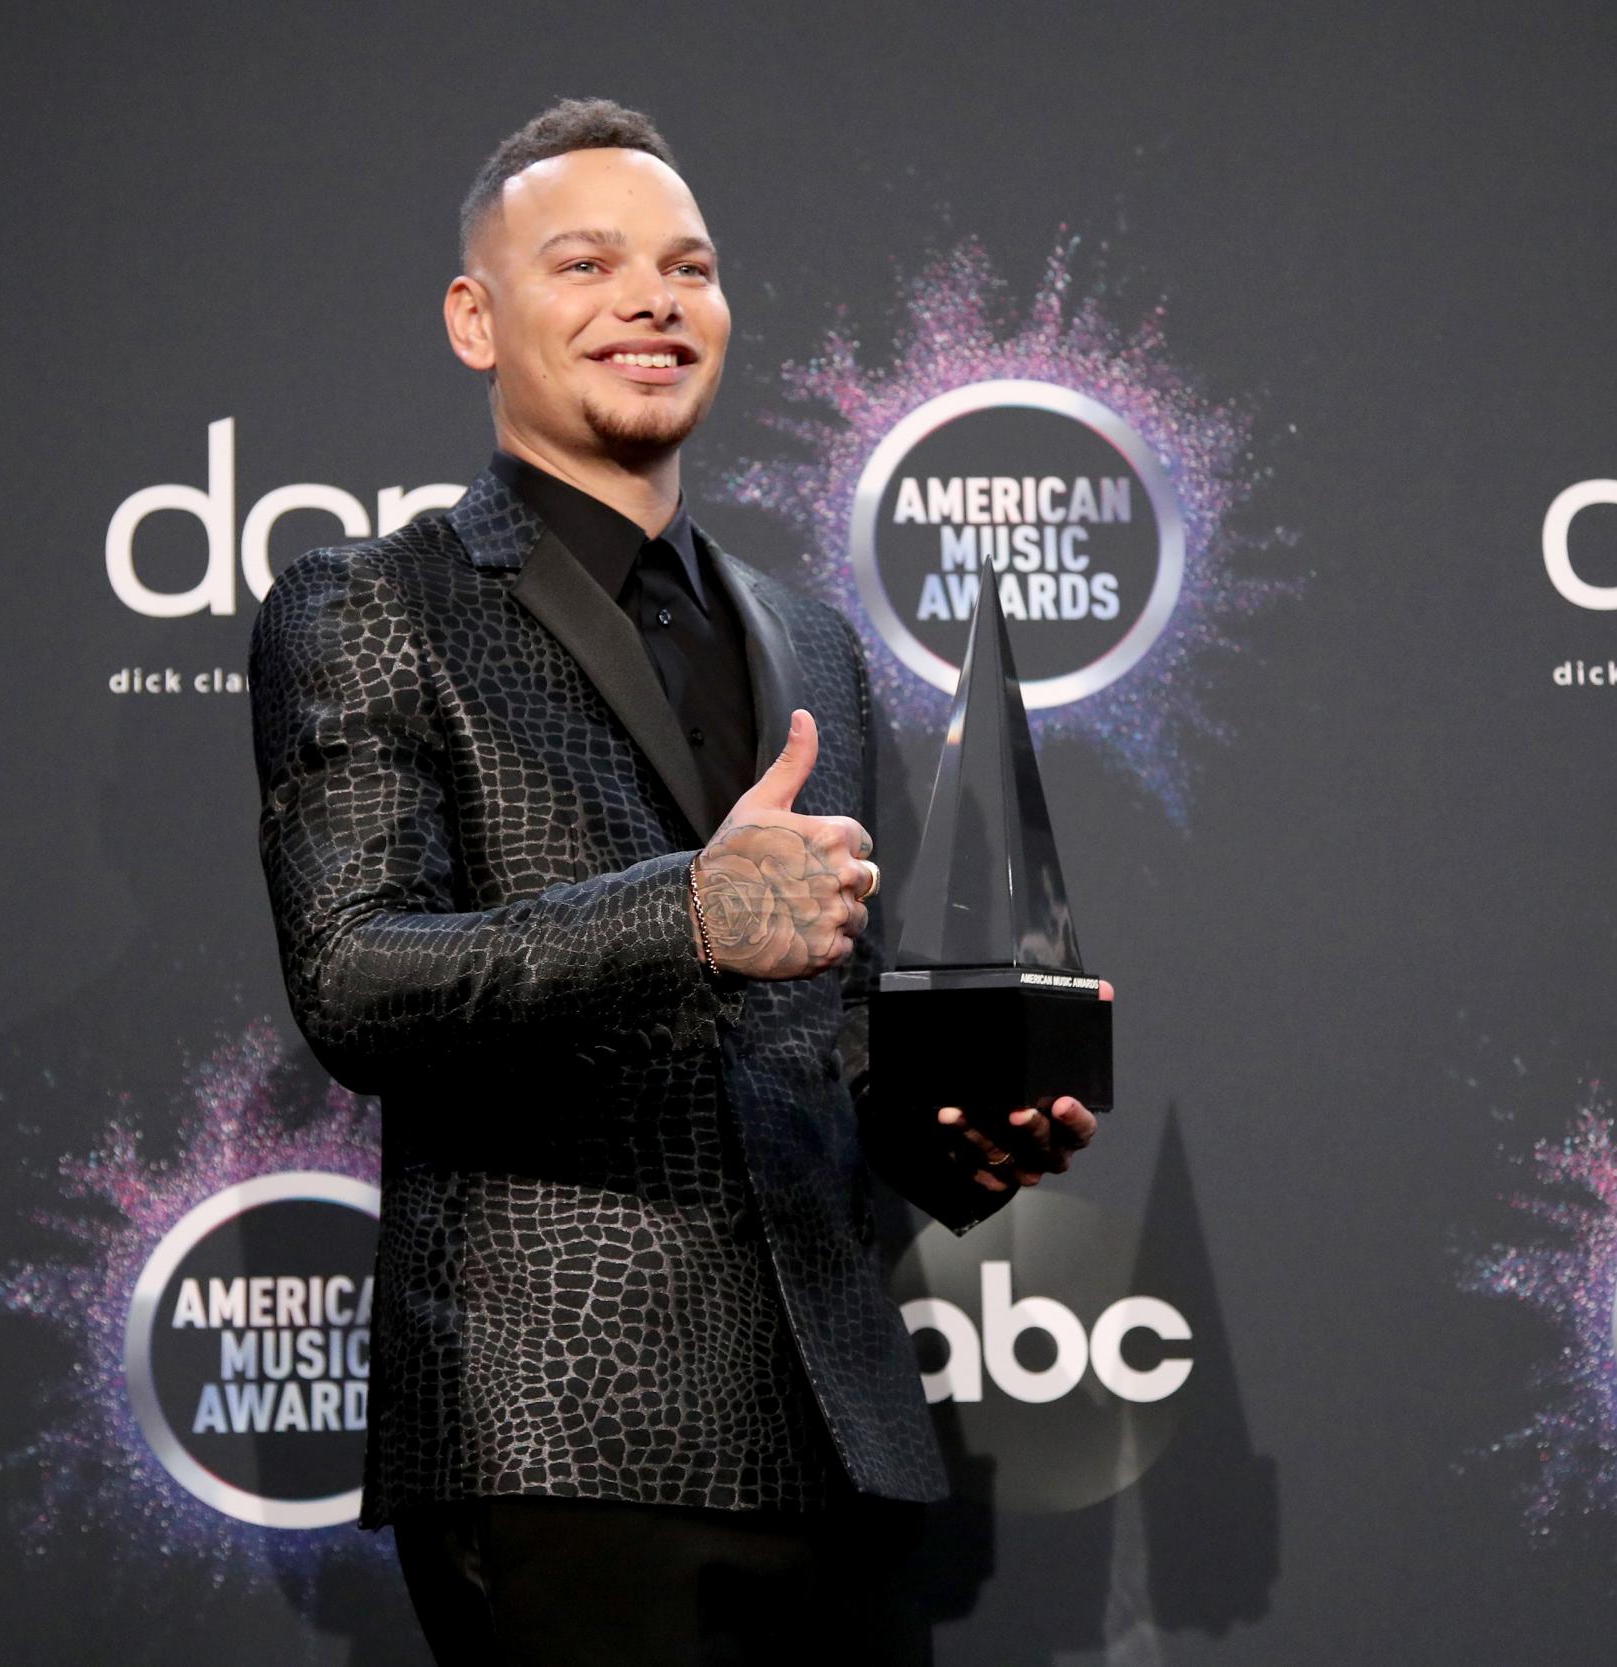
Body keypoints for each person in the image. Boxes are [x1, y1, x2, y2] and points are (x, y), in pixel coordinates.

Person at [248, 97, 1095, 1665]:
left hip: (837, 1444)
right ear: (474, 318)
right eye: (586, 263)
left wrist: (961, 1140)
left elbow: (822, 1031)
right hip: (565, 1434)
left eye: (687, 267)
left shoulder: (810, 639)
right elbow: (356, 978)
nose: (650, 300)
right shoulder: (373, 606)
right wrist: (686, 916)